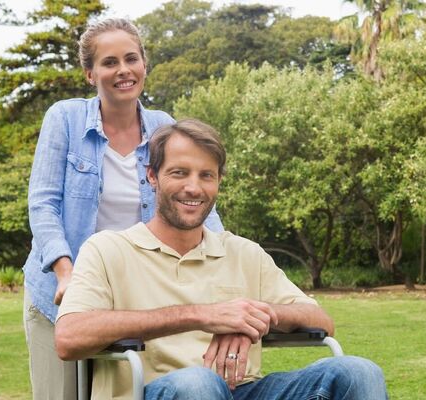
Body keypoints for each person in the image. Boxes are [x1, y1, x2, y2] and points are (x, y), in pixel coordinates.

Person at [55, 119, 387, 400]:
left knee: (359, 373)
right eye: (179, 173)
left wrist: (253, 317)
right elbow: (69, 338)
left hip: (243, 390)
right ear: (152, 177)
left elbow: (320, 320)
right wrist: (201, 316)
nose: (193, 188)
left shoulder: (244, 253)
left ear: (219, 182)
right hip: (156, 390)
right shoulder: (107, 249)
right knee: (198, 383)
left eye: (206, 175)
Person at [22, 19, 223, 400]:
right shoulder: (64, 118)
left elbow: (195, 205)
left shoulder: (164, 126)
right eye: (109, 62)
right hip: (60, 294)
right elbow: (43, 204)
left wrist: (227, 262)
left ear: (145, 64)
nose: (123, 70)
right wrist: (67, 273)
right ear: (90, 73)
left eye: (131, 59)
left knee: (132, 392)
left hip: (133, 298)